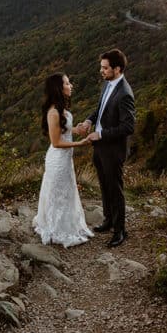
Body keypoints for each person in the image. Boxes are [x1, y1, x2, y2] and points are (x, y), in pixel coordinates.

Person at [75, 48, 135, 247]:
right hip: (100, 147)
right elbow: (100, 108)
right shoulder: (108, 85)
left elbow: (128, 126)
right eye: (101, 67)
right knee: (104, 186)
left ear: (117, 69)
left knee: (115, 190)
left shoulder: (125, 93)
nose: (101, 71)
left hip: (112, 150)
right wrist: (88, 121)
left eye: (105, 68)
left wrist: (100, 134)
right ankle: (108, 220)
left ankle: (120, 231)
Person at [32, 73, 94, 248]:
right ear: (59, 88)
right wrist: (80, 143)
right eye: (67, 83)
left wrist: (77, 129)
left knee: (66, 191)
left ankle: (65, 225)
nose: (71, 85)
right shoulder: (53, 112)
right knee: (58, 193)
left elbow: (64, 131)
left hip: (65, 159)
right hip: (58, 159)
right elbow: (56, 142)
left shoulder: (61, 110)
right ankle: (56, 227)